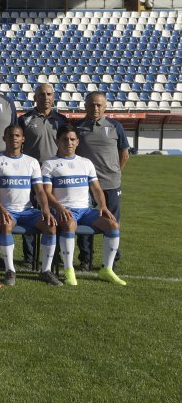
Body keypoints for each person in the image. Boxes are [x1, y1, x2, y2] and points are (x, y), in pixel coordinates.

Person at [42, 124, 126, 286]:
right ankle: (68, 270)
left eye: (72, 139)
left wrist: (102, 206)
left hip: (86, 211)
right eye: (65, 139)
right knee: (69, 223)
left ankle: (107, 270)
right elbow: (46, 192)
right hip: (64, 210)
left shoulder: (86, 163)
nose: (69, 142)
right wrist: (59, 207)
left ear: (78, 142)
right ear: (57, 141)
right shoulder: (49, 164)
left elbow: (96, 188)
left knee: (113, 225)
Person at [0, 124, 61, 286]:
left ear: (23, 139)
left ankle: (46, 271)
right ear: (4, 138)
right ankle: (10, 270)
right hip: (6, 211)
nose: (14, 138)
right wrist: (1, 209)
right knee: (5, 224)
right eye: (10, 135)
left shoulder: (32, 162)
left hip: (28, 211)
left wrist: (46, 210)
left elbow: (40, 191)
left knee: (51, 225)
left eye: (17, 135)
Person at [75, 91, 130, 270]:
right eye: (91, 104)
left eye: (99, 105)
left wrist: (115, 172)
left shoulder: (115, 126)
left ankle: (111, 260)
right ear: (85, 106)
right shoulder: (78, 127)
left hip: (111, 184)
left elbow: (124, 153)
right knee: (84, 222)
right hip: (86, 186)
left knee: (112, 222)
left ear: (105, 106)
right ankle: (85, 259)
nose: (95, 108)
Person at [17, 83, 66, 266]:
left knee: (55, 215)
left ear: (53, 97)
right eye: (41, 94)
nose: (45, 97)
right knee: (31, 215)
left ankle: (55, 256)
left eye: (49, 94)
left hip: (55, 177)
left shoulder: (61, 120)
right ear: (34, 98)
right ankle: (29, 258)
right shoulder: (25, 119)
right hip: (31, 176)